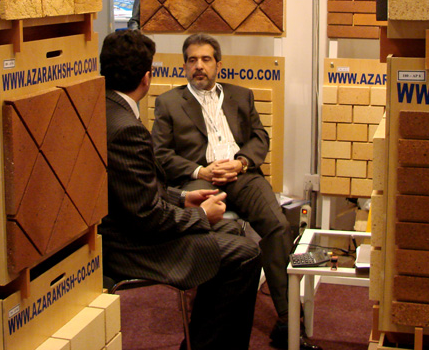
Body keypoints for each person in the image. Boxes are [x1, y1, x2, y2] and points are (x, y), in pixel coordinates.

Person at [152, 33, 319, 350]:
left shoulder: (241, 96)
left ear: (218, 64)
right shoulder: (169, 102)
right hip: (200, 179)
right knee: (215, 234)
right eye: (192, 60)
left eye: (206, 59)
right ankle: (211, 317)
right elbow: (160, 153)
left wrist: (241, 162)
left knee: (278, 226)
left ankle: (287, 321)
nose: (199, 66)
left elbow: (260, 138)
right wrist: (200, 170)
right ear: (184, 66)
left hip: (241, 175)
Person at [98, 30, 261, 350]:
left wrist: (183, 198)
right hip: (131, 246)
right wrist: (200, 215)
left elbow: (136, 190)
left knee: (233, 232)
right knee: (246, 255)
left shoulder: (105, 109)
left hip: (129, 226)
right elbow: (146, 216)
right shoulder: (126, 129)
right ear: (146, 78)